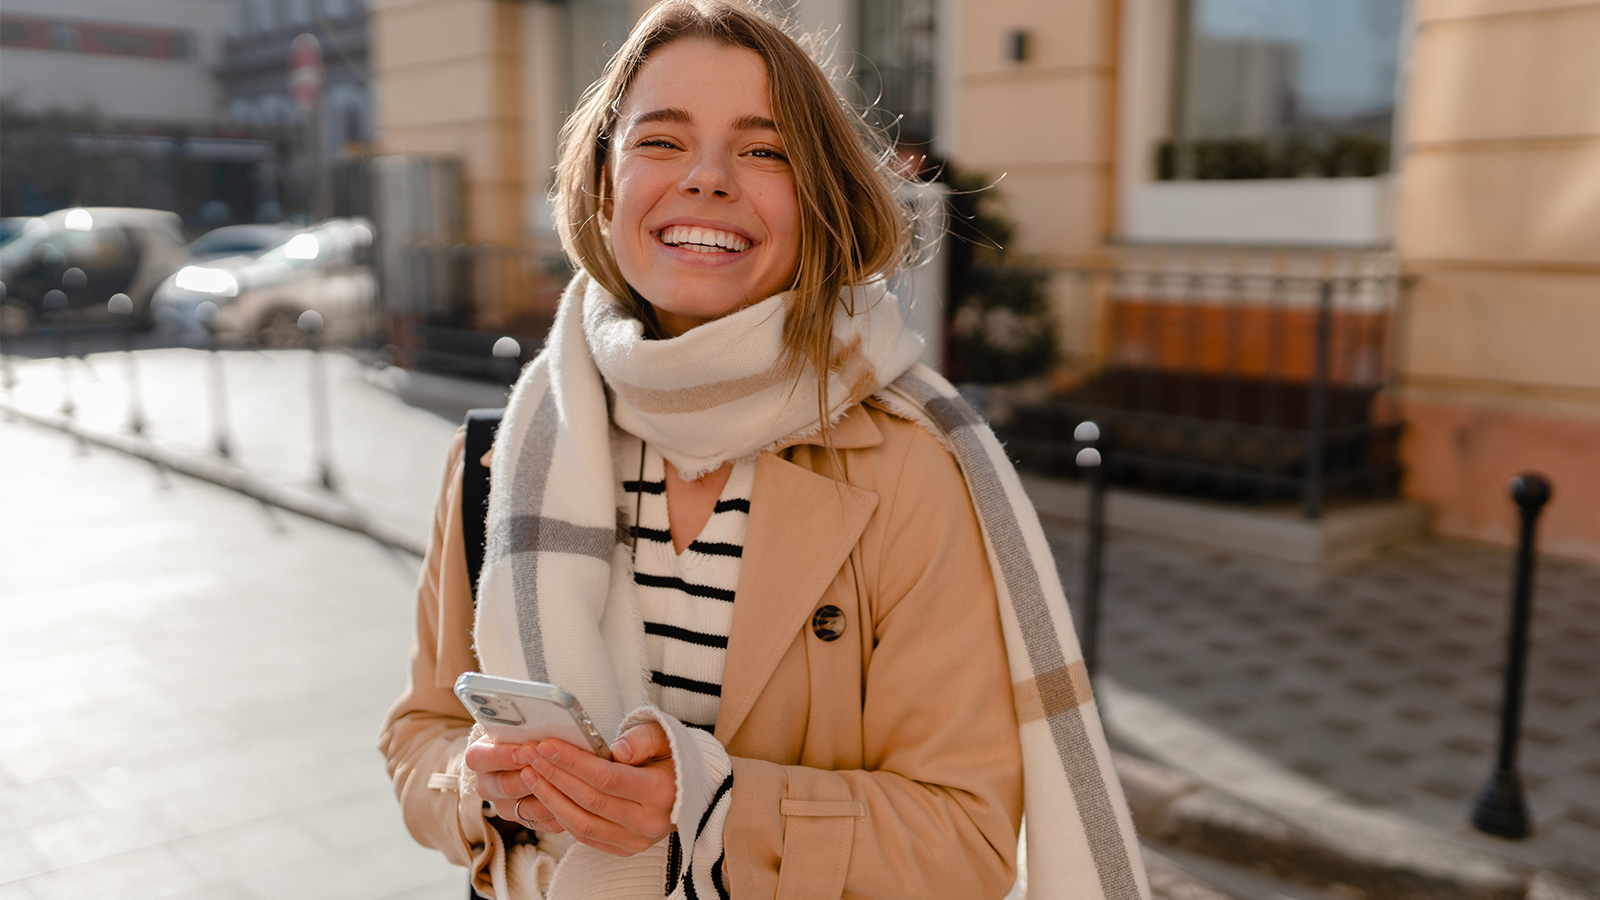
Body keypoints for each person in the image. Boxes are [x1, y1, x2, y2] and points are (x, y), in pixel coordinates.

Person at [378, 2, 1150, 898]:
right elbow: (419, 736)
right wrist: (481, 784)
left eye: (765, 150)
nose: (707, 179)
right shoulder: (498, 459)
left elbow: (964, 841)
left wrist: (706, 807)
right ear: (602, 183)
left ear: (820, 200)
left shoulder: (912, 468)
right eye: (660, 142)